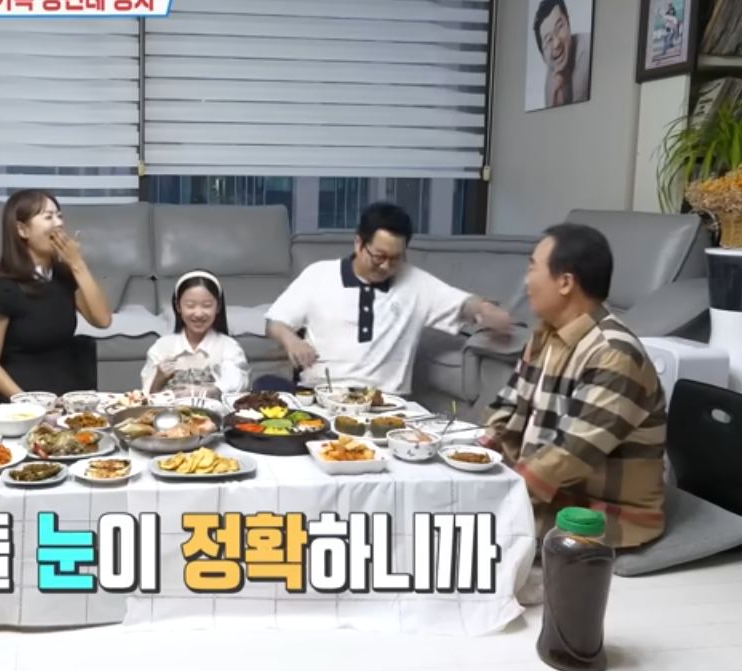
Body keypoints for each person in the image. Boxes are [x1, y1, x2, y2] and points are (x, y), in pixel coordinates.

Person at [481, 223, 666, 550]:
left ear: (565, 282)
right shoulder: (544, 336)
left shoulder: (614, 354)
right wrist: (473, 458)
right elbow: (507, 408)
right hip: (540, 492)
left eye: (533, 268)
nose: (526, 281)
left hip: (595, 514)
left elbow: (571, 454)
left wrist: (499, 496)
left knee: (451, 534)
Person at [261, 202, 513, 396]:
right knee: (264, 388)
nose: (386, 266)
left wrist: (485, 310)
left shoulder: (417, 283)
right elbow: (274, 323)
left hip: (386, 402)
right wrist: (292, 341)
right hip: (320, 395)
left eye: (395, 258)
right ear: (358, 243)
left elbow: (464, 304)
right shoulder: (319, 274)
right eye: (378, 256)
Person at [0, 189, 112, 404]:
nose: (58, 224)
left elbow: (102, 320)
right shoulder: (0, 289)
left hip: (64, 397)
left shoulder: (63, 276)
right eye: (48, 217)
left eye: (59, 216)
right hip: (18, 400)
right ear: (22, 230)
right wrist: (29, 402)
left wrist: (77, 264)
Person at [141, 270, 249, 397]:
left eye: (207, 305)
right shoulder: (161, 347)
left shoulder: (229, 347)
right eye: (190, 305)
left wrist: (207, 392)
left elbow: (237, 381)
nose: (198, 314)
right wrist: (158, 379)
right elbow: (146, 396)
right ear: (178, 306)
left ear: (218, 307)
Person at [533, 0, 591, 108]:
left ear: (568, 22)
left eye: (559, 27)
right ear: (543, 56)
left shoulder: (585, 50)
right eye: (549, 40)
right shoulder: (552, 74)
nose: (556, 43)